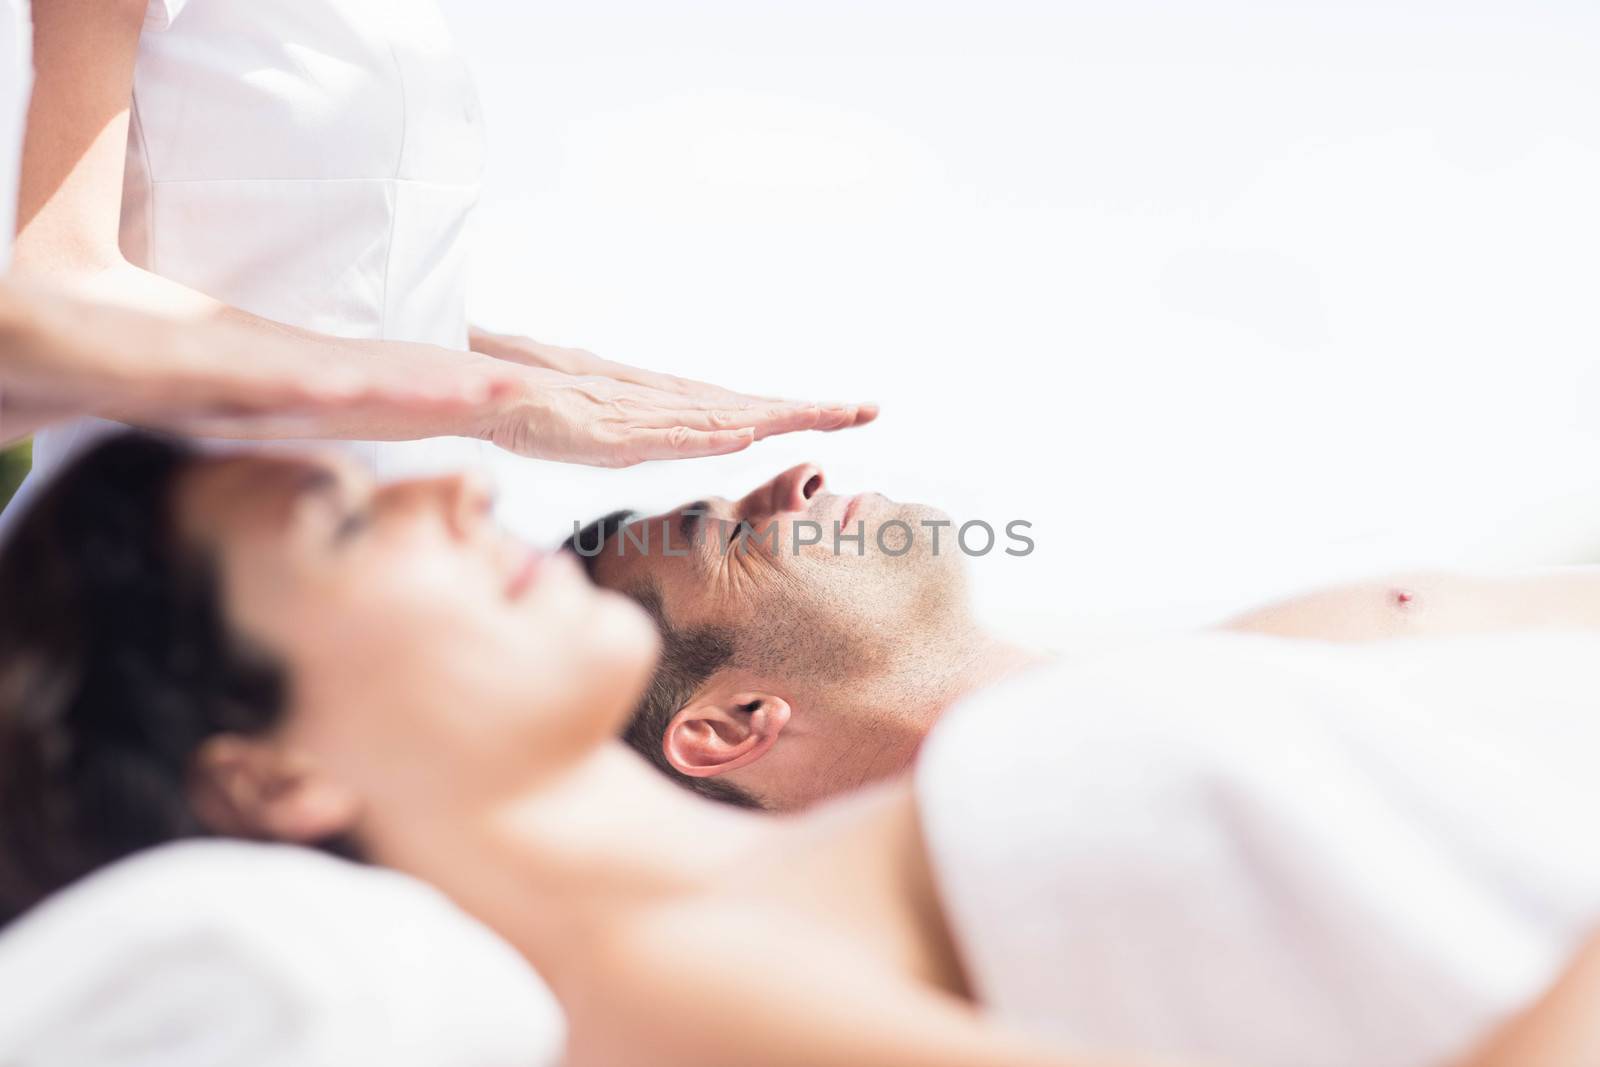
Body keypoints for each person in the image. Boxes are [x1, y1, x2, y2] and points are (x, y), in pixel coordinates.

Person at [5, 432, 1600, 1067]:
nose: (436, 484)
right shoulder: (668, 986)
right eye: (339, 518)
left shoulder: (775, 892)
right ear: (266, 772)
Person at [4, 0, 873, 529]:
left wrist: (513, 359)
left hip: (374, 578)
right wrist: (487, 399)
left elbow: (275, 260)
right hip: (162, 580)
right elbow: (60, 295)